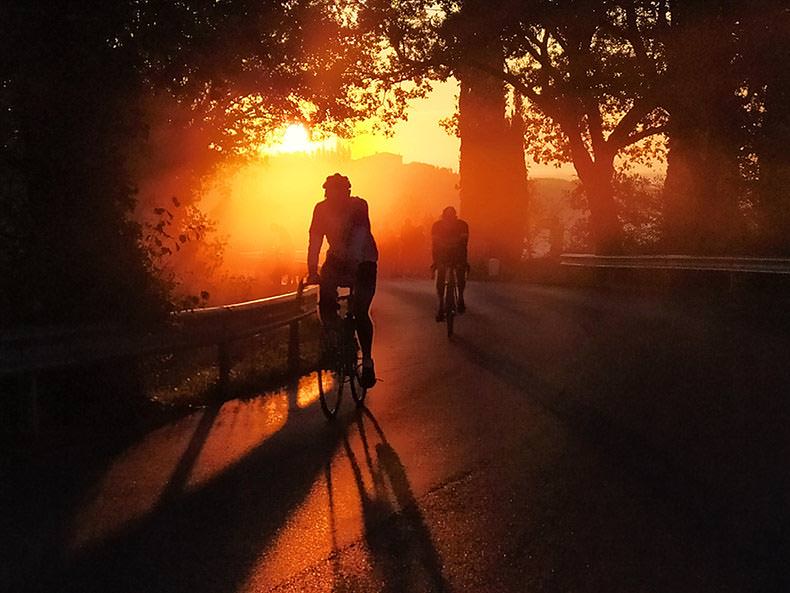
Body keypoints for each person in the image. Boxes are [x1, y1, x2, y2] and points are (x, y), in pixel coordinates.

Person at [306, 173, 378, 388]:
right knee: (326, 301)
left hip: (364, 259)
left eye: (338, 192)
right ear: (326, 193)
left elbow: (360, 235)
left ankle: (367, 361)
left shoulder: (359, 206)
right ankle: (335, 336)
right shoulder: (320, 209)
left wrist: (354, 265)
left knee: (360, 311)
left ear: (347, 192)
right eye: (329, 192)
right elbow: (315, 240)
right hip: (337, 258)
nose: (333, 196)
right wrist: (311, 269)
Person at [431, 206, 469, 322]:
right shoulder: (437, 225)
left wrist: (447, 244)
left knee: (460, 272)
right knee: (441, 274)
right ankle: (441, 305)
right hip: (442, 254)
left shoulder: (462, 225)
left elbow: (464, 241)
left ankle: (460, 297)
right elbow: (435, 241)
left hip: (457, 254)